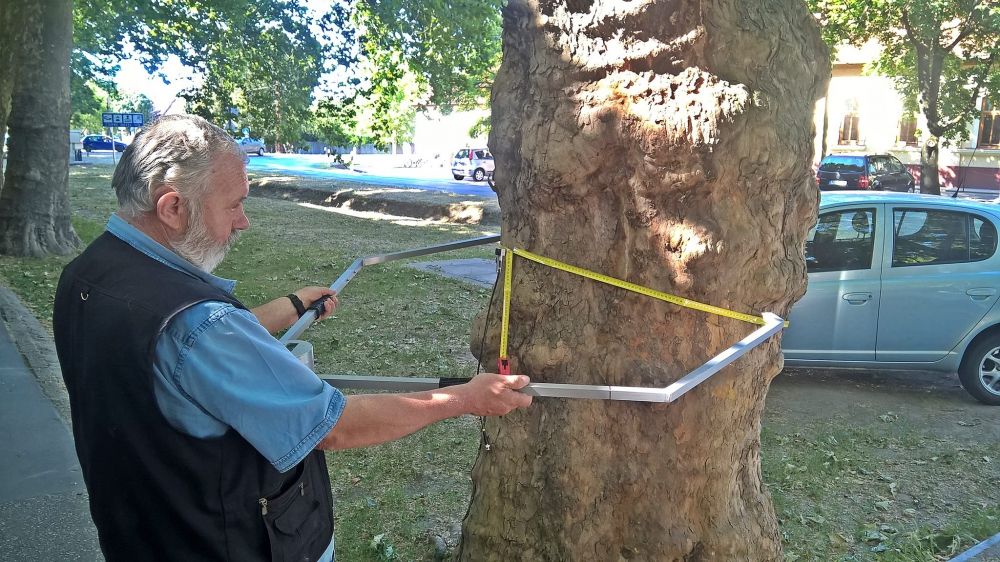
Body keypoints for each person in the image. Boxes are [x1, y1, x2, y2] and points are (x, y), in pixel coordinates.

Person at [52, 114, 531, 562]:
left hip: (143, 530)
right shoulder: (197, 324)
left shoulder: (88, 275)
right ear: (173, 207)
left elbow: (182, 364)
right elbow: (333, 426)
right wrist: (464, 398)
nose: (243, 221)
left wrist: (292, 307)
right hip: (224, 542)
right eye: (235, 204)